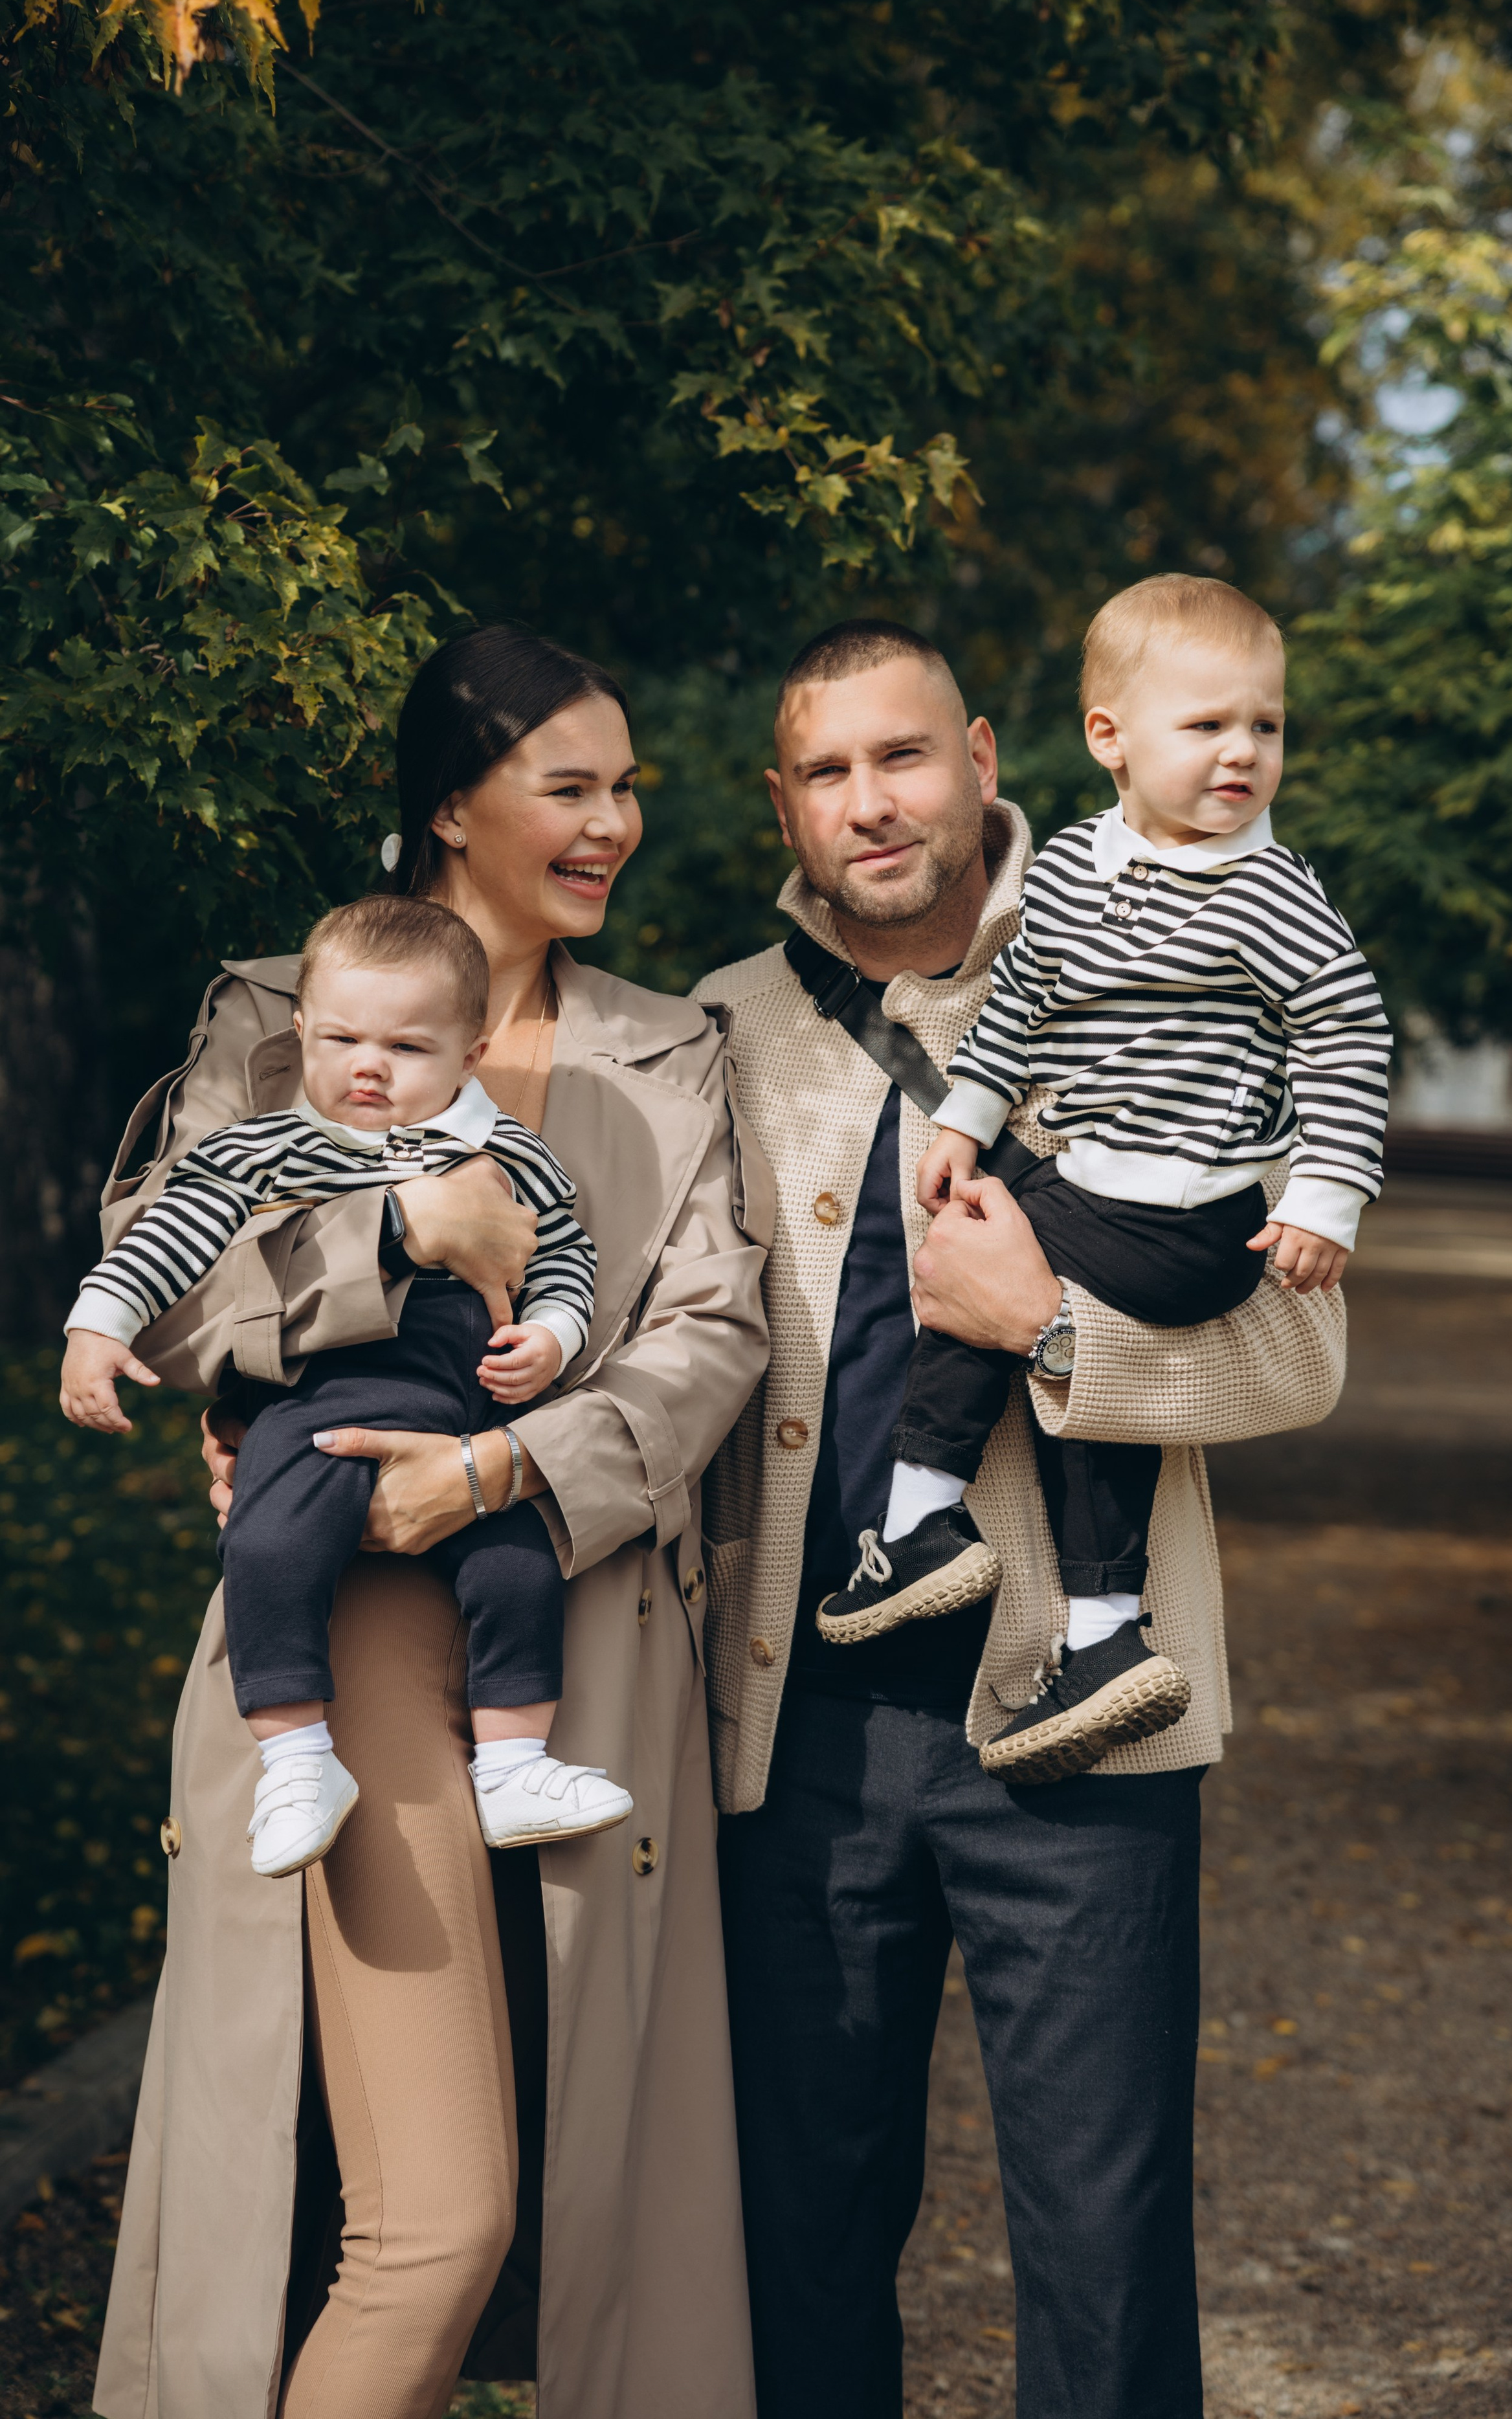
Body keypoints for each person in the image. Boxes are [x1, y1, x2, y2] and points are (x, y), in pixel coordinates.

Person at [93, 625, 772, 2419]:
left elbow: (713, 1339)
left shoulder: (672, 1049)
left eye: (629, 785)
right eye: (574, 788)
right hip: (349, 1657)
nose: (618, 820)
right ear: (450, 807)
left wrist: (502, 1470)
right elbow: (174, 1291)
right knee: (432, 2225)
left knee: (561, 2236)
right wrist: (407, 1249)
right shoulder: (281, 1005)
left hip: (575, 1641)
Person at [696, 616, 1347, 2419]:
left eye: (901, 757)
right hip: (800, 1723)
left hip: (1085, 1721)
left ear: (990, 755)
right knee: (802, 2233)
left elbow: (1304, 1353)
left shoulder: (1191, 938)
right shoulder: (718, 1035)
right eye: (826, 773)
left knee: (1103, 2239)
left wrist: (1052, 1331)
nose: (869, 803)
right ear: (782, 802)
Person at [822, 575, 1392, 1784]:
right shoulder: (1077, 868)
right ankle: (1101, 1635)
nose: (1243, 752)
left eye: (1266, 726)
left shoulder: (1272, 892)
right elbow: (1023, 1006)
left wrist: (1324, 1198)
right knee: (1088, 1381)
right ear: (1108, 739)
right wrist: (968, 1118)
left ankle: (922, 1517)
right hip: (1109, 1187)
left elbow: (1348, 1032)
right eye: (1208, 726)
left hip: (1192, 1211)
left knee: (982, 1265)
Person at [61, 892, 632, 1871]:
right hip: (318, 1406)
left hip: (472, 1416)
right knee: (270, 1546)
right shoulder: (269, 1145)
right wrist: (97, 1325)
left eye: (407, 1048)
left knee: (520, 1571)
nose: (368, 1066)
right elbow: (171, 1239)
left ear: (470, 1050)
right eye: (340, 1038)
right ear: (300, 1030)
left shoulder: (512, 1155)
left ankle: (514, 1766)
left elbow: (564, 1253)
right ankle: (295, 1760)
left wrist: (551, 1330)